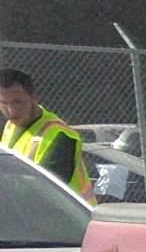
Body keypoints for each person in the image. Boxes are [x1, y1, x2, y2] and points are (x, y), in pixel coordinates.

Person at [0, 68, 94, 197]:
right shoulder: (11, 126)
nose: (11, 111)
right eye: (3, 103)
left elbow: (48, 191)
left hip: (65, 215)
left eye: (18, 102)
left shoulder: (60, 136)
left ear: (34, 98)